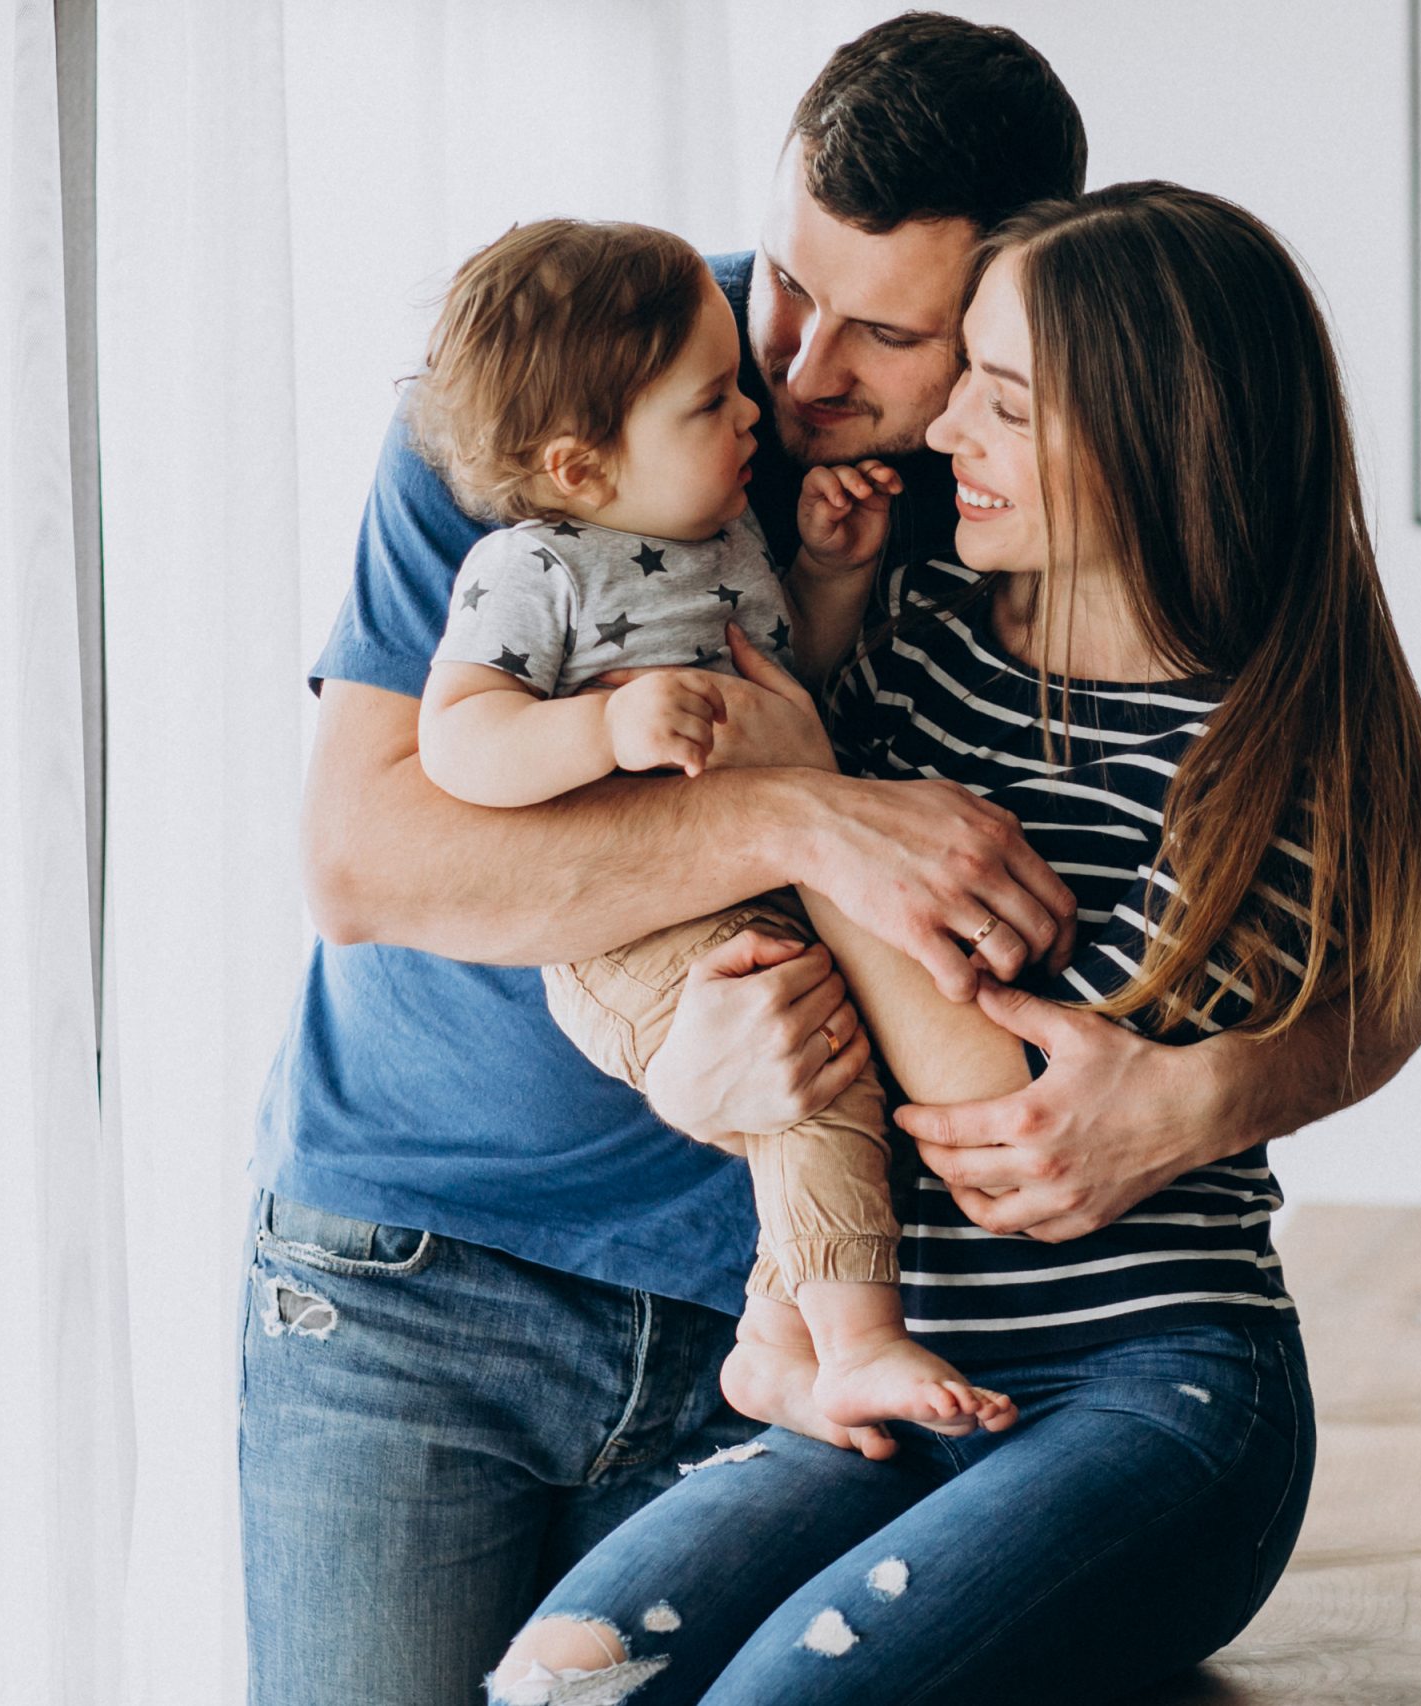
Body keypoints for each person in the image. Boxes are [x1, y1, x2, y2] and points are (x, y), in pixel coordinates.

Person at [245, 17, 1421, 1706]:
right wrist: (798, 813)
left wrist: (1206, 1097)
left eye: (894, 335)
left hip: (804, 1318)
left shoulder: (990, 518)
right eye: (787, 288)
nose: (796, 367)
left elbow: (1419, 933)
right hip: (430, 1260)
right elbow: (364, 857)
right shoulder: (579, 383)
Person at [410, 213, 1019, 1441]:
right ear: (583, 467)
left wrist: (830, 574)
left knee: (832, 1070)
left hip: (742, 904)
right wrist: (603, 731)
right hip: (627, 939)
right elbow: (457, 739)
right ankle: (849, 1343)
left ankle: (779, 1336)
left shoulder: (727, 532)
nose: (757, 409)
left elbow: (796, 697)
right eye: (710, 403)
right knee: (817, 1086)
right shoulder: (535, 567)